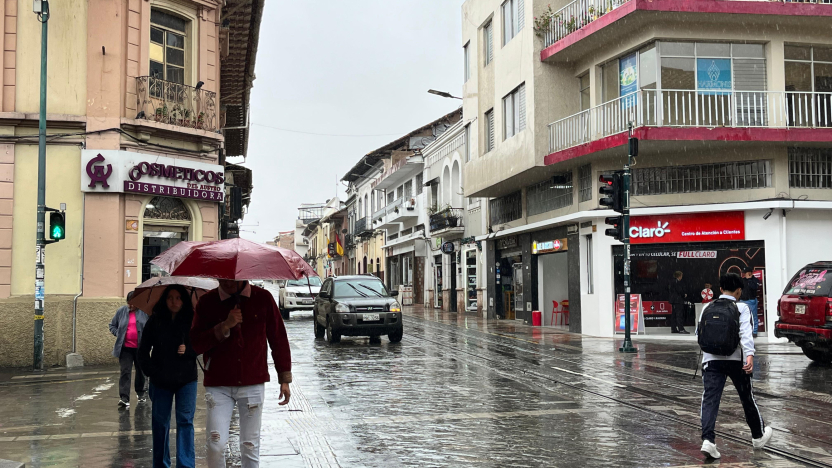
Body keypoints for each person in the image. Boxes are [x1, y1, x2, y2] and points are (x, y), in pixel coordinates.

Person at [190, 280, 292, 468]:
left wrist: (284, 377)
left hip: (252, 381)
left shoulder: (263, 298)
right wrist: (225, 326)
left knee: (250, 445)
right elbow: (196, 343)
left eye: (232, 277)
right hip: (218, 383)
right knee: (216, 444)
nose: (227, 281)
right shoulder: (207, 302)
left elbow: (278, 337)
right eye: (223, 276)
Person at [697, 273, 772, 459]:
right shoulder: (742, 307)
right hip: (736, 360)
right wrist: (749, 356)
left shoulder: (707, 306)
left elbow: (700, 333)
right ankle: (757, 436)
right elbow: (746, 333)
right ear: (739, 291)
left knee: (710, 401)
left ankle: (708, 440)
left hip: (711, 361)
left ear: (720, 289)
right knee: (747, 398)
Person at [138, 285, 199, 468]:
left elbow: (202, 345)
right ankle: (161, 464)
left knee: (185, 422)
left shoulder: (192, 320)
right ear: (165, 300)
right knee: (160, 424)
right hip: (161, 381)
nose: (174, 301)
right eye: (170, 298)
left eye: (178, 298)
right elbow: (142, 352)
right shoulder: (155, 320)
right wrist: (152, 372)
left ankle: (185, 464)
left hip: (186, 380)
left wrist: (188, 350)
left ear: (184, 300)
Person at [109, 291, 149, 408]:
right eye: (129, 303)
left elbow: (150, 326)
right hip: (125, 348)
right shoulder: (121, 311)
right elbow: (112, 325)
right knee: (125, 371)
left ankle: (141, 393)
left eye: (133, 303)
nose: (131, 306)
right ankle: (124, 398)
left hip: (140, 348)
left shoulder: (144, 312)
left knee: (141, 371)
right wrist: (118, 333)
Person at [741, 267, 761, 338]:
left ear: (749, 273)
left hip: (751, 300)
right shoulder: (742, 280)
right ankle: (743, 331)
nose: (744, 275)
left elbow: (754, 287)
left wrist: (749, 279)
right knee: (742, 317)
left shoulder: (755, 280)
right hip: (742, 300)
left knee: (753, 316)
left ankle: (754, 331)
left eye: (745, 273)